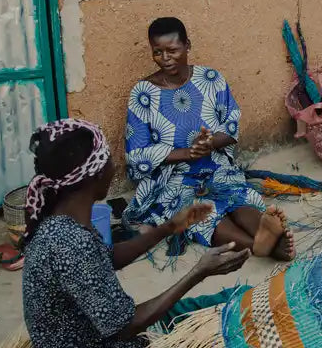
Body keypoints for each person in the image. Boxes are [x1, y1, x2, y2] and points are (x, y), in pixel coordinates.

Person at [20, 118, 322, 348]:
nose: (113, 167)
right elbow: (124, 326)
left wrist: (170, 227)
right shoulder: (67, 241)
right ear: (93, 175)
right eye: (106, 161)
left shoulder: (62, 223)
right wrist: (198, 272)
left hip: (97, 345)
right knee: (247, 338)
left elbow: (108, 259)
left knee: (232, 303)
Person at [124, 18, 292, 258]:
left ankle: (266, 232)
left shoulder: (211, 79)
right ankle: (263, 247)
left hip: (215, 166)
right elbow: (136, 155)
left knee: (237, 195)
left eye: (172, 50)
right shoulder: (143, 93)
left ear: (187, 46)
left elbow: (231, 126)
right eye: (157, 52)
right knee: (200, 212)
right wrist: (187, 153)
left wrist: (210, 143)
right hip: (173, 177)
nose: (165, 58)